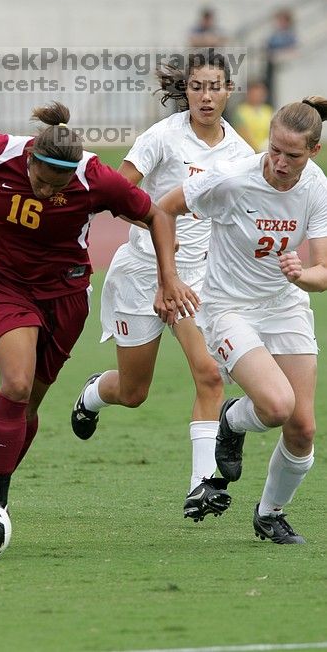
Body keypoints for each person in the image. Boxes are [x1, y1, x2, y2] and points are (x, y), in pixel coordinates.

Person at [0, 101, 192, 510]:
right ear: (31, 158)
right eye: (42, 180)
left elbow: (157, 216)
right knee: (16, 384)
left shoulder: (94, 178)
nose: (49, 190)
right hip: (4, 287)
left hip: (66, 296)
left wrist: (168, 277)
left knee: (30, 404)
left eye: (60, 184)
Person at [71, 50, 254, 522]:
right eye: (197, 86)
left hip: (196, 283)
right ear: (186, 91)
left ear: (229, 91)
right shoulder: (162, 138)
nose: (206, 96)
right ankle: (94, 393)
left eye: (215, 86)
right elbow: (117, 190)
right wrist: (156, 234)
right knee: (133, 392)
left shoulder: (240, 154)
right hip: (140, 276)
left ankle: (200, 486)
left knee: (210, 375)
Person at [158, 96, 327, 543]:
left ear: (313, 152)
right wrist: (169, 278)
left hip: (285, 305)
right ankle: (233, 420)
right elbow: (162, 208)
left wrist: (302, 273)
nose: (279, 161)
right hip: (229, 308)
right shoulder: (233, 179)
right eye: (274, 148)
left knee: (303, 428)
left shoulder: (316, 187)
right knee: (275, 407)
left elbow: (322, 273)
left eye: (292, 155)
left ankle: (270, 514)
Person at [264, 9, 298, 107]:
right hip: (271, 65)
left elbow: (294, 50)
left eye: (281, 20)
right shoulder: (274, 35)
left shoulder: (290, 35)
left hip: (284, 68)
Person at [233, 80, 273, 153]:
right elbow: (243, 134)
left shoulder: (268, 111)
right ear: (248, 94)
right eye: (255, 93)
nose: (258, 96)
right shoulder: (240, 111)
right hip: (247, 152)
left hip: (267, 150)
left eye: (261, 93)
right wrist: (258, 150)